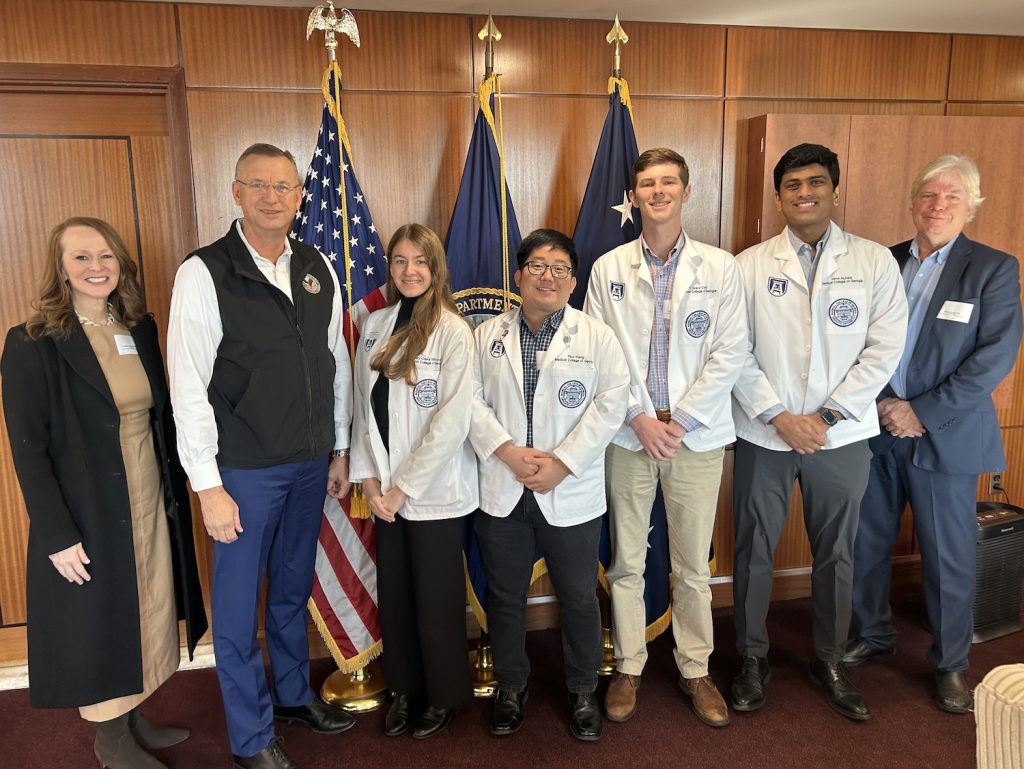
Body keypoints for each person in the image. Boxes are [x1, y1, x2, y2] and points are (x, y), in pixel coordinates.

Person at [167, 143, 354, 769]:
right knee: (240, 602)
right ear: (236, 192)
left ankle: (293, 696)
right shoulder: (204, 272)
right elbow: (187, 386)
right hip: (242, 471)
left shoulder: (315, 263)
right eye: (260, 185)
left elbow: (336, 364)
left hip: (308, 464)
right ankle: (250, 737)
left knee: (291, 588)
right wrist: (207, 486)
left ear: (300, 197)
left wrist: (339, 448)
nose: (274, 197)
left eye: (285, 187)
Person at [1, 217, 207, 769]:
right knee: (100, 618)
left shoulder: (137, 328)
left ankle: (135, 715)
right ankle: (110, 740)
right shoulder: (33, 342)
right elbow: (28, 451)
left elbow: (160, 413)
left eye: (106, 257)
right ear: (60, 269)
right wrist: (57, 534)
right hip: (86, 507)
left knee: (148, 606)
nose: (97, 268)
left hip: (147, 495)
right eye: (81, 258)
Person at [730, 143, 908, 722]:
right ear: (779, 196)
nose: (804, 193)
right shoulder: (749, 264)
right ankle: (752, 657)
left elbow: (883, 351)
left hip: (842, 437)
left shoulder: (875, 261)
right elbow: (735, 352)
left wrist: (824, 418)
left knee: (838, 551)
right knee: (753, 549)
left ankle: (829, 658)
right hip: (765, 434)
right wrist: (781, 417)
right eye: (793, 185)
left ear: (834, 189)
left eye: (815, 183)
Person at [843, 155, 1022, 714]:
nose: (938, 205)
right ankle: (873, 635)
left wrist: (920, 410)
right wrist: (878, 405)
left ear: (971, 205)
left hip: (945, 432)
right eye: (929, 195)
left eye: (951, 196)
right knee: (865, 544)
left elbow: (994, 357)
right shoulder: (883, 261)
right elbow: (851, 340)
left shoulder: (992, 268)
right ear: (913, 202)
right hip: (875, 430)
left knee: (949, 554)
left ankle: (949, 664)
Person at [584, 148, 748, 728]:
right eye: (647, 183)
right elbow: (599, 354)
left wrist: (679, 422)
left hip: (695, 438)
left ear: (687, 190)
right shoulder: (607, 269)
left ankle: (695, 668)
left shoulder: (720, 267)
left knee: (692, 566)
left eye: (669, 182)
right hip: (629, 435)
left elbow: (731, 351)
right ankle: (628, 664)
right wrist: (639, 418)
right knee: (627, 559)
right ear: (633, 196)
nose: (658, 191)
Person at [470, 229, 629, 742]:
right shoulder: (485, 334)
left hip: (571, 489)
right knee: (505, 596)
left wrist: (563, 462)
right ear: (518, 277)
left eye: (560, 268)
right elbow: (468, 401)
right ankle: (511, 687)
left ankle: (583, 690)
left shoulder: (597, 336)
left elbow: (611, 404)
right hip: (504, 483)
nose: (548, 276)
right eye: (537, 266)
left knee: (580, 596)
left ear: (573, 280)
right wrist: (506, 451)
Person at [349, 223, 476, 739]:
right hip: (385, 495)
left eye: (419, 261)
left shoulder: (452, 329)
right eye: (399, 261)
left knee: (436, 602)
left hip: (433, 494)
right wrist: (372, 483)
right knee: (396, 597)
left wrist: (404, 488)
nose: (409, 271)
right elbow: (362, 409)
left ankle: (442, 696)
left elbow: (452, 421)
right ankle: (405, 688)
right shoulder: (376, 324)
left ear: (435, 266)